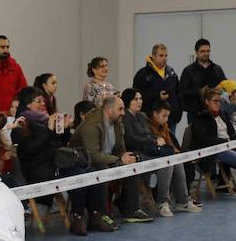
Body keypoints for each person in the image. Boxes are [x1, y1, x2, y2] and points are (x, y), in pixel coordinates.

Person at [72, 95, 145, 227]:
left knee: (133, 166)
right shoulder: (91, 124)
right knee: (102, 170)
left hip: (106, 159)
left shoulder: (117, 123)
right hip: (85, 162)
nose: (123, 112)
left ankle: (131, 209)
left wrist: (126, 156)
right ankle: (102, 214)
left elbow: (120, 148)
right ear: (109, 110)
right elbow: (93, 155)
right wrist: (119, 159)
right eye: (120, 109)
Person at [121, 89, 172, 217]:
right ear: (128, 101)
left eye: (141, 99)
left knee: (173, 162)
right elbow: (130, 139)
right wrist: (153, 141)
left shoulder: (142, 116)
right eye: (136, 99)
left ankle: (176, 199)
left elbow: (149, 134)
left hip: (147, 149)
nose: (139, 101)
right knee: (166, 162)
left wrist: (156, 139)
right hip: (135, 152)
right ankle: (161, 201)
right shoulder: (125, 117)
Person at [148, 101, 201, 214]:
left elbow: (169, 143)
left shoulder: (164, 126)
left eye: (168, 116)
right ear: (155, 114)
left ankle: (183, 201)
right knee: (169, 161)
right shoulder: (147, 127)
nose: (167, 119)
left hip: (164, 155)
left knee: (177, 161)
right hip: (152, 156)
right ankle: (162, 202)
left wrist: (177, 153)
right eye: (164, 116)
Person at [133, 44, 182, 130]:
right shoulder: (143, 74)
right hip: (151, 118)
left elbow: (179, 93)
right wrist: (157, 96)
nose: (164, 58)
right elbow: (138, 96)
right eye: (161, 55)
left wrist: (178, 113)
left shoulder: (171, 73)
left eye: (166, 55)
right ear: (153, 56)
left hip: (171, 118)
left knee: (170, 143)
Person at [179, 39, 227, 117]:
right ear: (196, 52)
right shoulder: (188, 70)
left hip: (215, 112)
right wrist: (199, 92)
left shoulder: (217, 69)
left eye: (208, 51)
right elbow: (182, 91)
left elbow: (225, 86)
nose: (206, 53)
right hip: (195, 112)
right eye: (202, 51)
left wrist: (220, 89)